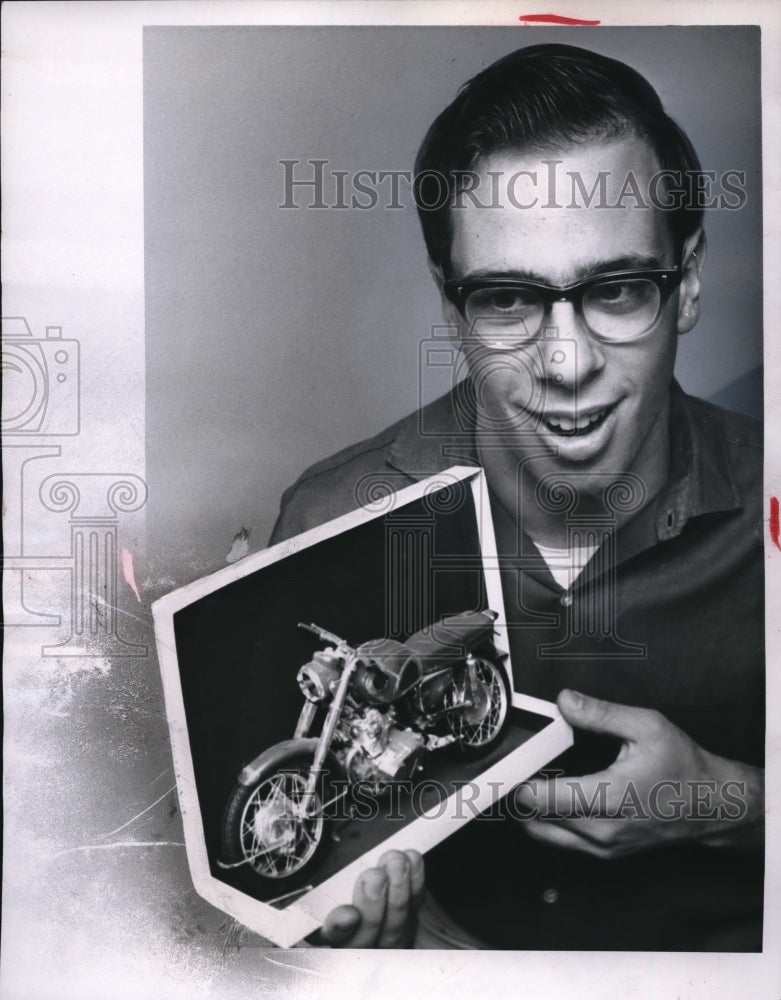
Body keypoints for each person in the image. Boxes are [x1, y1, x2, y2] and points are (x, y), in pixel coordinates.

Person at [269, 44, 764, 950]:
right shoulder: (329, 520)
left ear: (686, 281)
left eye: (616, 289)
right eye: (506, 300)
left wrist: (734, 805)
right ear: (453, 308)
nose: (566, 364)